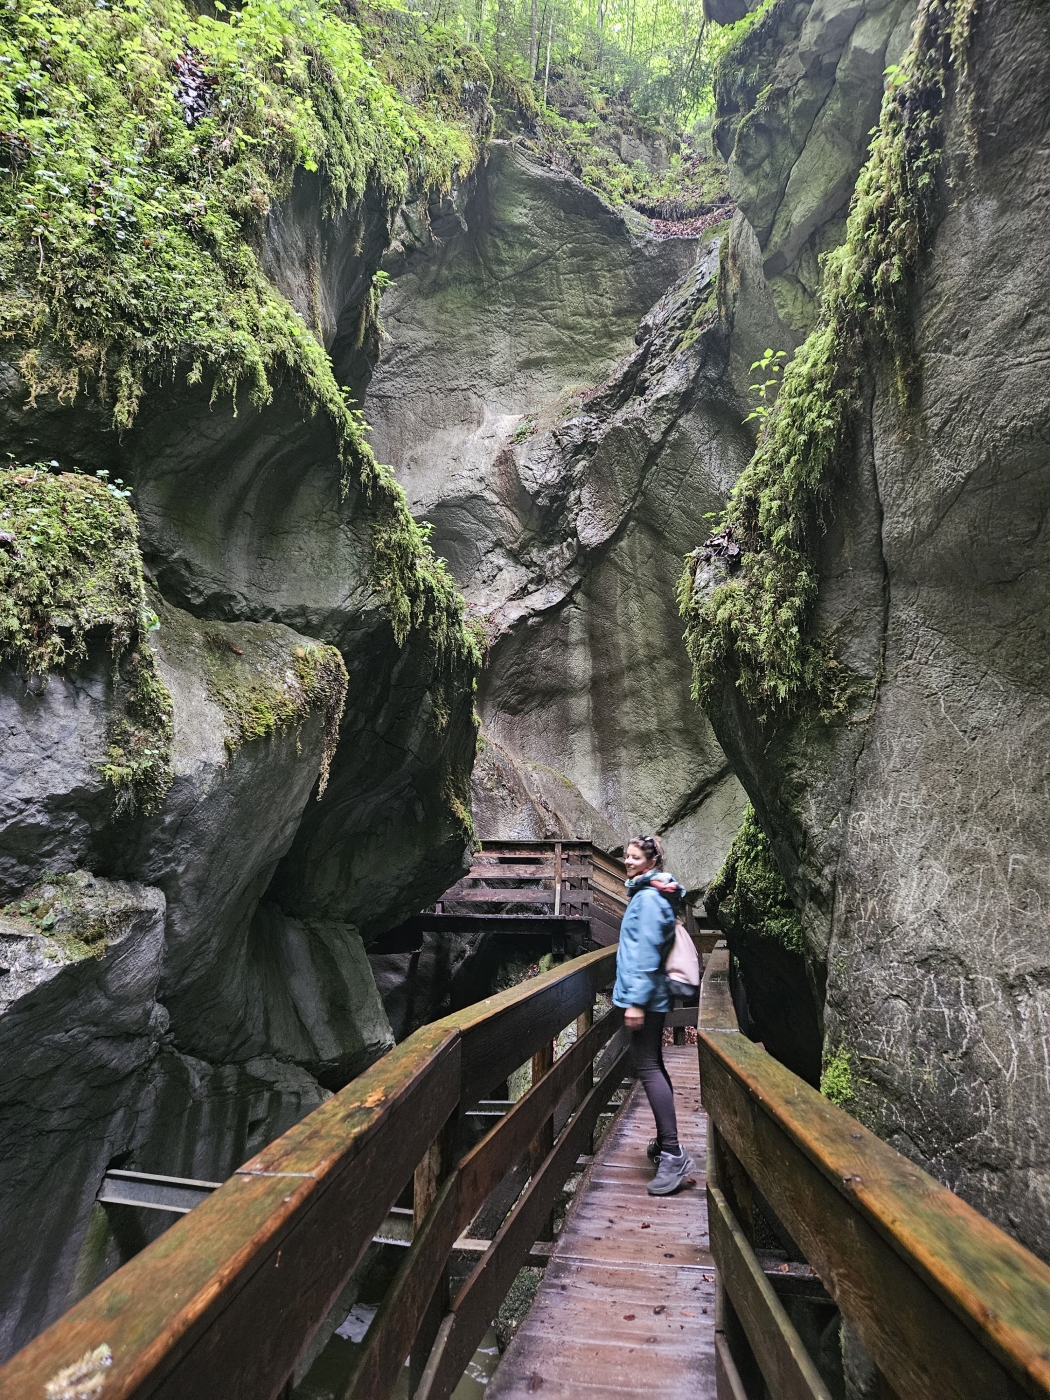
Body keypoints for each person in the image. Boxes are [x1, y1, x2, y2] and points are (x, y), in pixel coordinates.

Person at [612, 834, 695, 1196]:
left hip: (646, 998)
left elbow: (644, 955)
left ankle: (673, 1153)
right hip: (654, 997)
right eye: (626, 856)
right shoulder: (653, 894)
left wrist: (634, 1001)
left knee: (647, 1065)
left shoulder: (647, 899)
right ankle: (666, 1143)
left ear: (650, 863)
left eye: (634, 857)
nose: (627, 862)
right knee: (653, 1063)